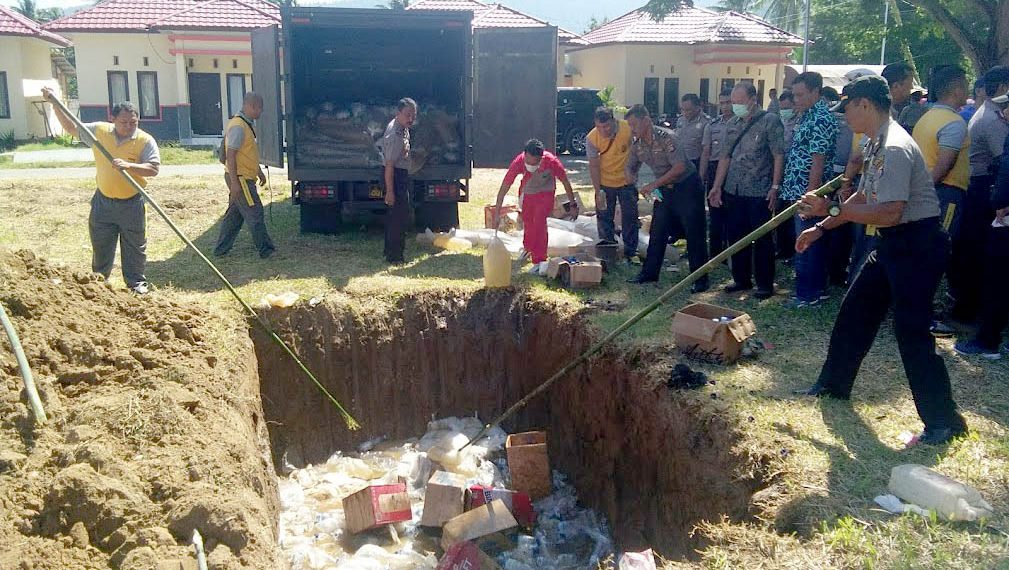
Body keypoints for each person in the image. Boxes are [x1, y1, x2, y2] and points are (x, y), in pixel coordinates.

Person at [794, 74, 967, 446]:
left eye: (848, 109)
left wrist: (832, 207)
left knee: (912, 333)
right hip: (893, 243)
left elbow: (889, 211)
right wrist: (823, 226)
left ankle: (944, 421)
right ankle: (834, 384)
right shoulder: (876, 143)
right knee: (854, 312)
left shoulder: (894, 147)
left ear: (865, 104)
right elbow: (860, 199)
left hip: (917, 246)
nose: (846, 118)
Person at [42, 88, 159, 295]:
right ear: (112, 119)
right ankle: (98, 281)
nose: (129, 126)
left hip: (131, 202)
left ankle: (136, 283)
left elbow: (153, 169)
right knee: (101, 243)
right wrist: (55, 103)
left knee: (135, 245)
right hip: (103, 202)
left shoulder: (145, 140)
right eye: (124, 122)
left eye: (134, 122)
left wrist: (129, 166)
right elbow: (71, 127)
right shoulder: (99, 132)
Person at [708, 82, 785, 299]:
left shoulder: (770, 121)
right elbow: (725, 157)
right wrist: (716, 187)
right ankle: (741, 279)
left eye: (739, 102)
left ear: (753, 99)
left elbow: (778, 154)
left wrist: (775, 186)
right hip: (734, 189)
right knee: (736, 236)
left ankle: (764, 284)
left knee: (761, 239)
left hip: (759, 190)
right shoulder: (732, 124)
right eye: (733, 102)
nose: (735, 106)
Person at [948, 66, 1009, 326]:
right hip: (984, 188)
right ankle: (970, 308)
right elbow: (1002, 159)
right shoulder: (992, 118)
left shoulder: (988, 113)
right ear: (1002, 87)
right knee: (979, 253)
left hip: (979, 186)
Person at [625, 104, 709, 291]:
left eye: (634, 125)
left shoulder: (666, 137)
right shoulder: (638, 145)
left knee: (694, 232)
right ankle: (649, 273)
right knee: (657, 230)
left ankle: (700, 279)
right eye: (629, 126)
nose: (632, 129)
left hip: (687, 187)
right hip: (665, 190)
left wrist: (653, 185)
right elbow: (630, 165)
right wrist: (631, 175)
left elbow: (679, 167)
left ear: (646, 121)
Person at [782, 72, 838, 308]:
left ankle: (807, 294)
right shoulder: (807, 115)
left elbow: (818, 159)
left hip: (809, 192)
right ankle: (818, 289)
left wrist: (811, 196)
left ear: (816, 91)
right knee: (811, 241)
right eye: (794, 95)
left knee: (805, 242)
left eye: (800, 94)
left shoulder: (821, 118)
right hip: (800, 190)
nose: (796, 99)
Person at [495, 139, 578, 274]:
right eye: (530, 161)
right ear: (525, 154)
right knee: (528, 220)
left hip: (546, 192)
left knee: (539, 222)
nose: (532, 165)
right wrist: (497, 212)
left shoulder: (551, 161)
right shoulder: (518, 162)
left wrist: (573, 204)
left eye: (536, 162)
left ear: (541, 157)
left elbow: (565, 181)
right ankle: (528, 248)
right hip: (528, 192)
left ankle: (540, 260)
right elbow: (504, 187)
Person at [214, 92, 276, 260]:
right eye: (259, 109)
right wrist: (235, 183)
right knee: (255, 212)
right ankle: (266, 250)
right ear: (251, 106)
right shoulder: (238, 127)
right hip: (241, 179)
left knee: (234, 215)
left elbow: (246, 154)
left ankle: (220, 249)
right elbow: (231, 155)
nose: (260, 112)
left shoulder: (245, 125)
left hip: (243, 176)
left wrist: (259, 172)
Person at [587, 106, 638, 260]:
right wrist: (597, 191)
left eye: (606, 126)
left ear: (613, 121)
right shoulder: (592, 138)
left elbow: (638, 151)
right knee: (604, 218)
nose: (603, 130)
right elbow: (594, 166)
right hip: (605, 182)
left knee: (630, 217)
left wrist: (633, 172)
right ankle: (608, 252)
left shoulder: (627, 128)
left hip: (626, 182)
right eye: (599, 127)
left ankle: (630, 252)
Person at [381, 98, 417, 264]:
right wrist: (390, 191)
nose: (411, 119)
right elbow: (389, 166)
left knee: (394, 216)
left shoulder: (402, 128)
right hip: (394, 176)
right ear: (398, 114)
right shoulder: (394, 135)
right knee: (399, 217)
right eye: (408, 115)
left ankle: (389, 250)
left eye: (413, 115)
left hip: (399, 174)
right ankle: (395, 256)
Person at [700, 89, 733, 258]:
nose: (725, 106)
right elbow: (706, 152)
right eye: (722, 103)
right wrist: (702, 176)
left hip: (734, 171)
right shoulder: (712, 125)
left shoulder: (741, 123)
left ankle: (731, 250)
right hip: (714, 169)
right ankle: (715, 252)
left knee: (732, 214)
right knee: (715, 214)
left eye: (729, 102)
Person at [776, 89, 799, 261]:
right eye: (781, 107)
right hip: (780, 173)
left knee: (792, 215)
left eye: (787, 107)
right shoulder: (779, 121)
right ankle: (782, 248)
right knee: (779, 213)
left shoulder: (801, 122)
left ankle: (793, 250)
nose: (784, 110)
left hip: (794, 174)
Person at [882, 62, 925, 132]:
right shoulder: (875, 109)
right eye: (910, 83)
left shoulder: (916, 110)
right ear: (896, 86)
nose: (912, 87)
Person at [675, 93, 709, 171]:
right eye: (682, 109)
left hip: (695, 162)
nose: (684, 113)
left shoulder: (706, 122)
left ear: (697, 108)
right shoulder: (680, 120)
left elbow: (706, 150)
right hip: (679, 161)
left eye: (688, 110)